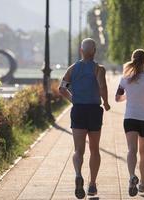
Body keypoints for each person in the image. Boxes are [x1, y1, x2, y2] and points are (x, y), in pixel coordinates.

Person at [59, 38, 110, 199]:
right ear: (94, 51)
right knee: (94, 149)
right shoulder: (98, 69)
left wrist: (72, 98)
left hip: (78, 110)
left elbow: (62, 88)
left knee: (78, 150)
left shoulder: (72, 69)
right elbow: (102, 86)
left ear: (81, 51)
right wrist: (106, 102)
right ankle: (92, 185)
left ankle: (78, 174)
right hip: (94, 111)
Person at [115, 49, 144, 197]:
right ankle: (142, 182)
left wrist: (128, 96)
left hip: (130, 118)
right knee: (143, 151)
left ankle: (131, 177)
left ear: (133, 59)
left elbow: (117, 98)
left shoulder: (124, 79)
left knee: (131, 149)